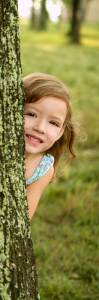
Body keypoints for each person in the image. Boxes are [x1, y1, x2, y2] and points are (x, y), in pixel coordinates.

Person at [23, 73, 75, 221]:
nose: (40, 128)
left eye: (53, 123)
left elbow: (24, 217)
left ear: (60, 133)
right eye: (31, 114)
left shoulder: (43, 168)